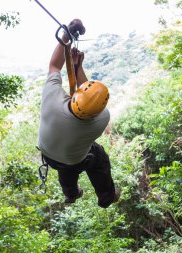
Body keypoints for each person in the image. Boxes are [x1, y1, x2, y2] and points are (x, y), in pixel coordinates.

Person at [38, 19, 120, 208]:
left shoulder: (51, 100)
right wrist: (77, 68)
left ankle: (72, 194)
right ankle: (106, 196)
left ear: (77, 98)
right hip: (73, 160)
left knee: (66, 166)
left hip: (50, 156)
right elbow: (87, 98)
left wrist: (67, 34)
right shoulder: (101, 120)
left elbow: (54, 66)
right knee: (97, 156)